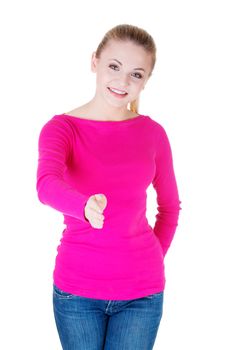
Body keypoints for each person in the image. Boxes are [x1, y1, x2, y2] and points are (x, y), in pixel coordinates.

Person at [36, 23, 182, 350]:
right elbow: (46, 184)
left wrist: (153, 257)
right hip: (77, 293)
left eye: (136, 74)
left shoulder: (153, 134)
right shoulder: (62, 129)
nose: (122, 81)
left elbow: (170, 207)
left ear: (146, 81)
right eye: (114, 67)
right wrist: (83, 206)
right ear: (95, 62)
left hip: (142, 295)